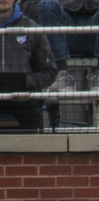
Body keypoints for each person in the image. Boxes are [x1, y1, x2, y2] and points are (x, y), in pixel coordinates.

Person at [20, 0, 99, 91]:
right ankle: (61, 74)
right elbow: (28, 6)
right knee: (47, 4)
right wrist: (54, 9)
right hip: (62, 34)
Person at [0, 0, 56, 131]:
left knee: (31, 115)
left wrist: (24, 81)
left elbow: (49, 72)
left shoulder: (31, 28)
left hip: (21, 97)